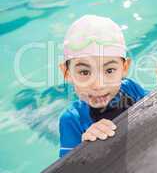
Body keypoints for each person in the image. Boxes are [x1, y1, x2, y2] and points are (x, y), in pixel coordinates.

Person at [58, 15, 148, 157]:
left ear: (125, 68)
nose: (98, 85)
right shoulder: (72, 119)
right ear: (67, 73)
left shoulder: (131, 89)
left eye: (109, 70)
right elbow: (66, 167)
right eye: (85, 72)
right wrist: (84, 148)